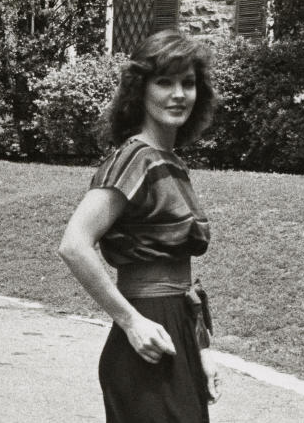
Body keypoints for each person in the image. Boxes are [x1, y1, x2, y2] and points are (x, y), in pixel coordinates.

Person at [58, 29, 220, 423]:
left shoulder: (171, 161)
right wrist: (130, 321)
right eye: (164, 82)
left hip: (177, 326)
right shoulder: (136, 159)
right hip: (147, 332)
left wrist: (203, 351)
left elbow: (184, 281)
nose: (178, 94)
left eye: (188, 83)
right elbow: (74, 244)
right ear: (141, 91)